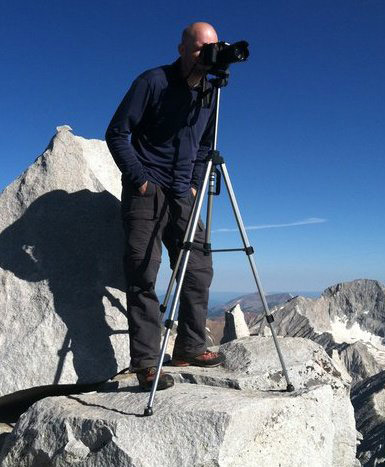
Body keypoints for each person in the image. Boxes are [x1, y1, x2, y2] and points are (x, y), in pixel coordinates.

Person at [105, 22, 225, 391]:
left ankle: (190, 346)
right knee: (144, 271)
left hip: (181, 190)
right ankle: (146, 361)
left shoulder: (210, 91)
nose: (206, 55)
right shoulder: (152, 81)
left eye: (213, 48)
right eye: (200, 48)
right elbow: (117, 132)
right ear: (182, 48)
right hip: (148, 189)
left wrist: (193, 184)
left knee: (198, 266)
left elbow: (206, 143)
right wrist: (139, 178)